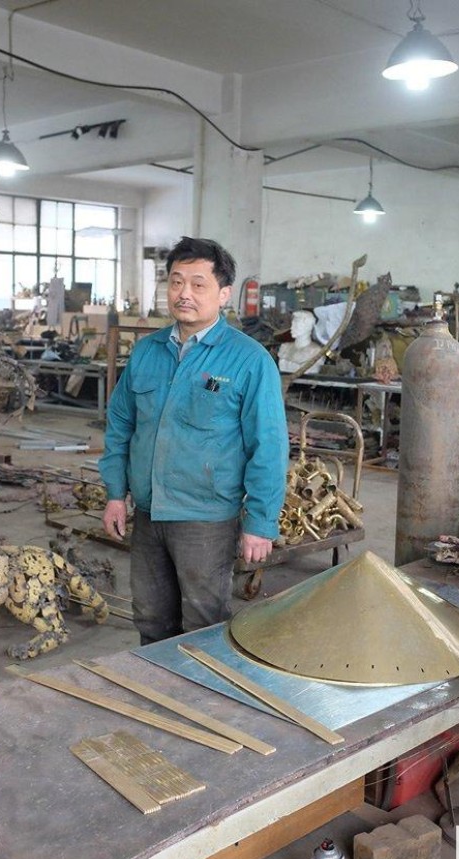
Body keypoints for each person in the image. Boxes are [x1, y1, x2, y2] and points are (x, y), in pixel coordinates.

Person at [99, 236, 289, 644]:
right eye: (176, 282)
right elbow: (120, 425)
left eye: (198, 284)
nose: (184, 294)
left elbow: (268, 446)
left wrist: (260, 522)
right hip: (149, 514)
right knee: (150, 617)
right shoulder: (147, 352)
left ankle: (201, 702)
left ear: (223, 294)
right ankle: (157, 695)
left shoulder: (249, 360)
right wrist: (116, 493)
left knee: (203, 622)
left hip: (206, 519)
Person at [278, 309, 323, 374]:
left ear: (308, 327)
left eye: (296, 325)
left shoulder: (316, 351)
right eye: (292, 324)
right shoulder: (284, 347)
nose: (292, 328)